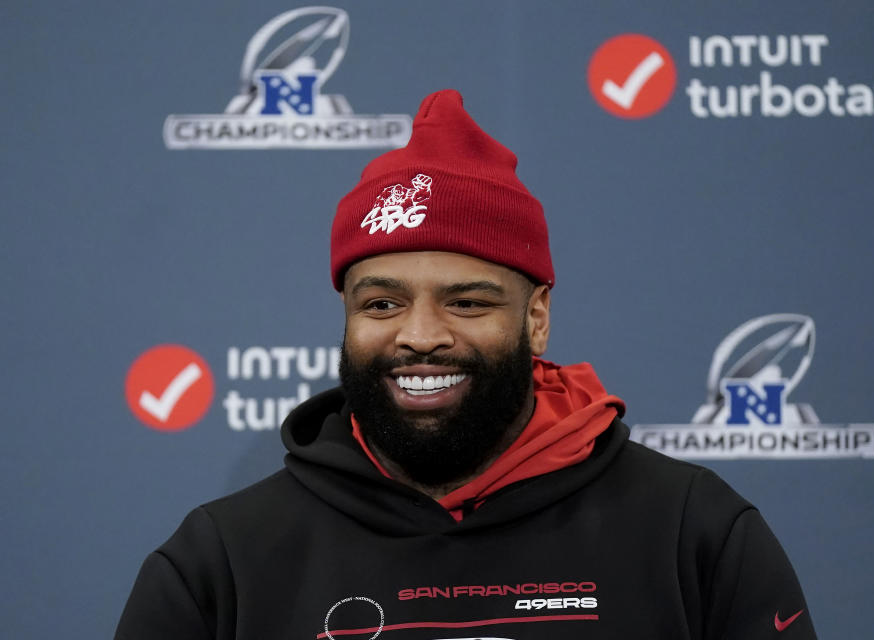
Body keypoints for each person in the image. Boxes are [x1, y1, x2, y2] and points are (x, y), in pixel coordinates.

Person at [115, 90, 817, 640]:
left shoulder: (691, 531)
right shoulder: (221, 559)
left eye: (469, 302)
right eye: (383, 304)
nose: (420, 336)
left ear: (536, 318)